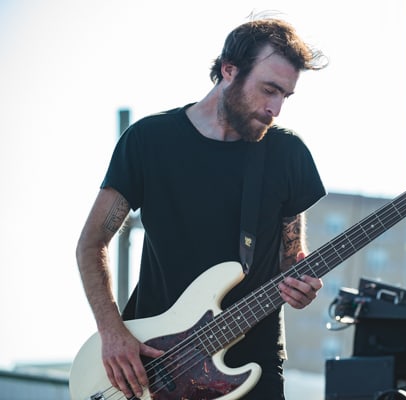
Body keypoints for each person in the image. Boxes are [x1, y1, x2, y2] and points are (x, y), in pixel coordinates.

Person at [76, 17, 328, 399]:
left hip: (253, 366)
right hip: (156, 364)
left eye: (284, 96)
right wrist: (112, 332)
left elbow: (290, 264)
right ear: (229, 70)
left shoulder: (286, 154)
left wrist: (301, 287)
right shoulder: (150, 140)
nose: (275, 108)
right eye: (269, 90)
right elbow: (91, 243)